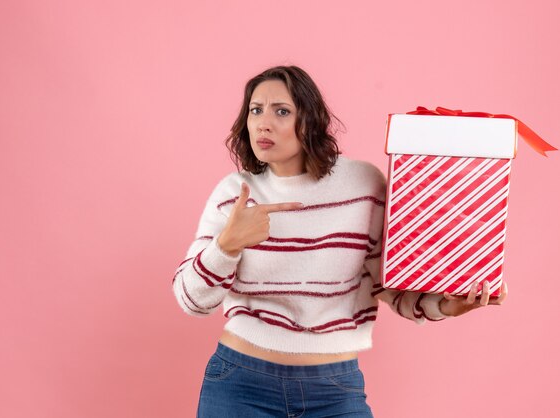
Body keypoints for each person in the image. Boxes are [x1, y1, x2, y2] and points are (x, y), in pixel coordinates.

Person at [171, 65, 508, 417]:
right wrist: (227, 246)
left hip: (333, 389)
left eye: (281, 111)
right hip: (241, 382)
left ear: (311, 121)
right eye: (256, 110)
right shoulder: (233, 194)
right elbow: (192, 301)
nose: (262, 123)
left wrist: (450, 306)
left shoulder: (363, 186)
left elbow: (390, 285)